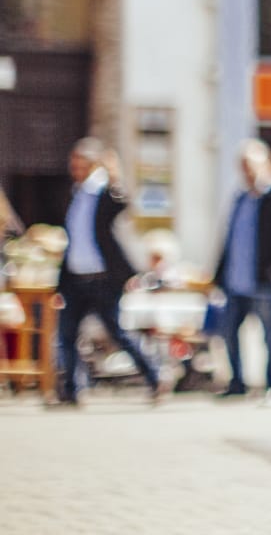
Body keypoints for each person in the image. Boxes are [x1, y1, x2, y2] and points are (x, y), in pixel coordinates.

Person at [53, 138, 161, 406]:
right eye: (73, 165)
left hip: (103, 278)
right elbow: (72, 240)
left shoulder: (105, 192)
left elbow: (122, 204)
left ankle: (156, 376)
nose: (75, 169)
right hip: (76, 277)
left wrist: (114, 174)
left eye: (81, 164)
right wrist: (60, 284)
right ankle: (72, 390)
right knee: (66, 334)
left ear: (92, 165)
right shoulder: (75, 194)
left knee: (117, 332)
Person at [213, 140, 271, 404]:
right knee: (228, 331)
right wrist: (217, 276)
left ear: (265, 165)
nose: (247, 172)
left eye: (251, 166)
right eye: (243, 167)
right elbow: (229, 240)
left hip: (263, 279)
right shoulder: (239, 199)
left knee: (269, 335)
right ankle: (237, 382)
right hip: (236, 279)